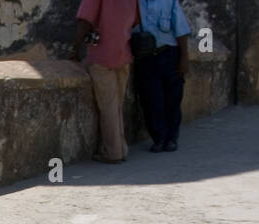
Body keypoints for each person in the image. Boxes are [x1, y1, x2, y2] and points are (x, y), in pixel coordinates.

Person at [74, 0, 141, 164]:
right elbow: (137, 20)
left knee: (108, 106)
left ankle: (113, 152)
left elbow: (85, 21)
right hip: (124, 53)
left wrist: (74, 49)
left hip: (102, 56)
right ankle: (121, 148)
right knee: (117, 103)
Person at [133, 0, 192, 153]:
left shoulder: (168, 1)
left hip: (169, 54)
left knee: (172, 98)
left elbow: (180, 30)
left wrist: (184, 58)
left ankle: (171, 138)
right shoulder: (133, 3)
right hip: (145, 58)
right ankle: (159, 138)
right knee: (150, 100)